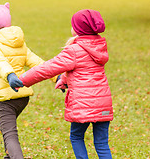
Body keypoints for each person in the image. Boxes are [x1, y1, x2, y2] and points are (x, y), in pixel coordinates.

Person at [19, 9, 113, 159]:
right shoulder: (99, 46)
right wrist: (64, 80)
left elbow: (48, 68)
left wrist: (22, 80)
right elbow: (85, 69)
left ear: (78, 29)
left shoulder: (74, 50)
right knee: (101, 143)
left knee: (76, 137)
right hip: (103, 103)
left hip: (84, 104)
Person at [0, 2, 54, 159]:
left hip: (6, 97)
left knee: (10, 135)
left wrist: (10, 75)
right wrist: (56, 76)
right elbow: (36, 61)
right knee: (8, 132)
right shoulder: (18, 41)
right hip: (22, 97)